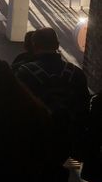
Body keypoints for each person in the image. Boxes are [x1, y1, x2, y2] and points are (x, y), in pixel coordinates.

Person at [15, 27, 91, 163]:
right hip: (66, 139)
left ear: (34, 45)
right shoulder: (76, 73)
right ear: (57, 45)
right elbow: (84, 110)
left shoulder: (24, 73)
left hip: (34, 138)